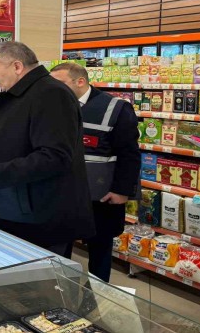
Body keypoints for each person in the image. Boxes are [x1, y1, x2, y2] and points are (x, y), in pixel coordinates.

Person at [0, 41, 95, 258]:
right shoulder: (17, 95)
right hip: (15, 208)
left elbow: (54, 157)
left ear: (17, 66)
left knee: (39, 277)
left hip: (39, 218)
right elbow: (11, 147)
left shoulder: (51, 94)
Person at [50, 62, 140, 282]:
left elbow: (129, 154)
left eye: (60, 83)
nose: (54, 89)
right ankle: (61, 291)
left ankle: (98, 295)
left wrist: (122, 190)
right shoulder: (52, 105)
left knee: (100, 249)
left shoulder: (115, 108)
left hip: (101, 196)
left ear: (80, 81)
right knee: (59, 247)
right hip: (61, 194)